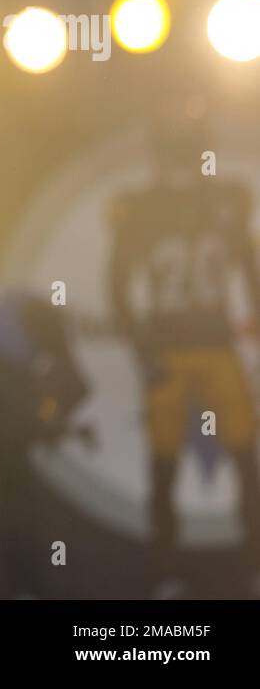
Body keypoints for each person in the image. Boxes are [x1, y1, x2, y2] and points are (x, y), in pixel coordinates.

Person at [108, 114, 260, 597]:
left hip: (207, 343)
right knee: (167, 464)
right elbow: (117, 281)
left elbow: (250, 267)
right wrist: (138, 345)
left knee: (241, 458)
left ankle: (247, 562)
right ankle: (164, 571)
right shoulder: (145, 208)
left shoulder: (218, 201)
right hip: (171, 348)